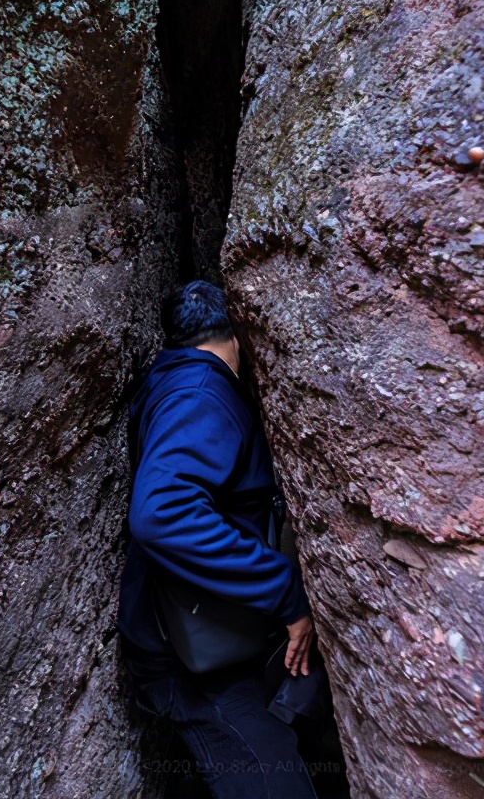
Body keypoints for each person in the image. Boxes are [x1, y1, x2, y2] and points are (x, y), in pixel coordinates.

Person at [117, 280, 320, 799]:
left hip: (201, 631)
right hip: (192, 660)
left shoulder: (175, 381)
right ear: (239, 332)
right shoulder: (200, 394)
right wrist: (285, 591)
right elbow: (164, 512)